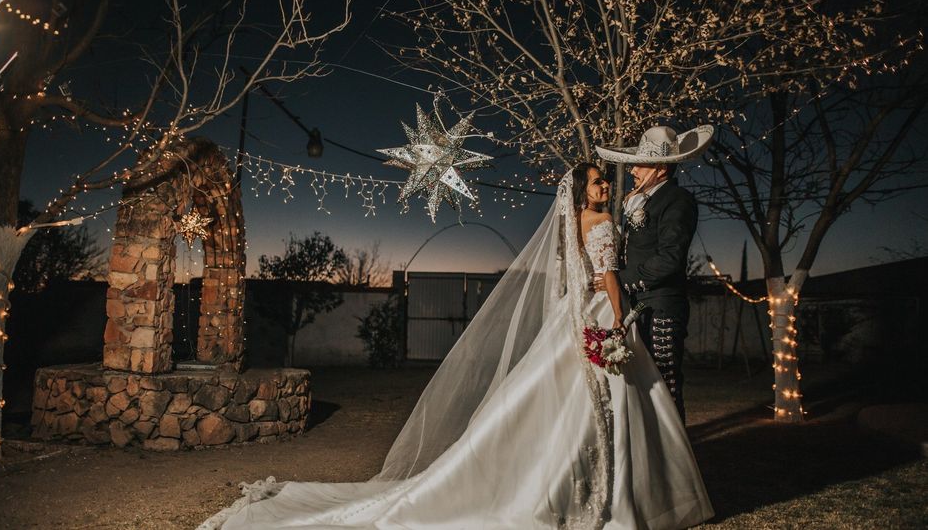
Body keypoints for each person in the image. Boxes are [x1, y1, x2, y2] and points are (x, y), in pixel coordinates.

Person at [200, 151, 714, 529]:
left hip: (575, 315)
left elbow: (578, 272)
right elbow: (607, 277)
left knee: (561, 401)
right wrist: (619, 323)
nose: (607, 187)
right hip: (601, 312)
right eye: (600, 182)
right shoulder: (600, 220)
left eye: (605, 181)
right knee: (607, 402)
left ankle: (573, 481)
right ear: (584, 192)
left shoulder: (577, 222)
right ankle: (614, 493)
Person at [595, 125, 714, 423]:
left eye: (640, 164)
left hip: (662, 308)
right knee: (644, 390)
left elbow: (670, 259)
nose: (633, 170)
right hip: (638, 306)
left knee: (665, 387)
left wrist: (620, 279)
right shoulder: (641, 201)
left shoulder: (677, 200)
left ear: (660, 169)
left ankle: (677, 463)